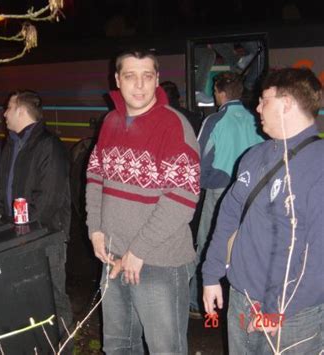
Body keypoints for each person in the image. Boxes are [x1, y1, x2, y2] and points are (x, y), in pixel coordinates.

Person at [85, 50, 200, 354]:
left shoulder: (173, 125)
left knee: (165, 349)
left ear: (157, 80)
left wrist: (139, 250)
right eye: (130, 76)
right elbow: (95, 178)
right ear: (117, 80)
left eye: (147, 76)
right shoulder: (109, 122)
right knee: (118, 347)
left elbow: (182, 198)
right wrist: (95, 229)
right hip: (113, 258)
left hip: (159, 262)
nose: (139, 85)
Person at [202, 67, 324, 354]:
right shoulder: (254, 156)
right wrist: (211, 275)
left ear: (287, 104)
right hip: (243, 299)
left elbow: (319, 256)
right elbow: (228, 215)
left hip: (294, 316)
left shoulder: (318, 167)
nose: (256, 107)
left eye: (263, 99)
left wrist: (279, 308)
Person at [0, 90, 73, 343]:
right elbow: (1, 188)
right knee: (26, 296)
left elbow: (49, 200)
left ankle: (63, 346)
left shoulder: (48, 144)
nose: (4, 113)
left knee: (53, 296)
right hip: (16, 235)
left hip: (45, 237)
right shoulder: (13, 143)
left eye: (8, 107)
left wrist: (25, 233)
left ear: (20, 110)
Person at [189, 71, 264, 316]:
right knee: (244, 246)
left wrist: (203, 183)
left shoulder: (214, 121)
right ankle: (242, 301)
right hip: (251, 192)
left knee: (209, 245)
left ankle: (197, 302)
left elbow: (200, 159)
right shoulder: (255, 117)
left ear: (219, 94)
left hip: (221, 192)